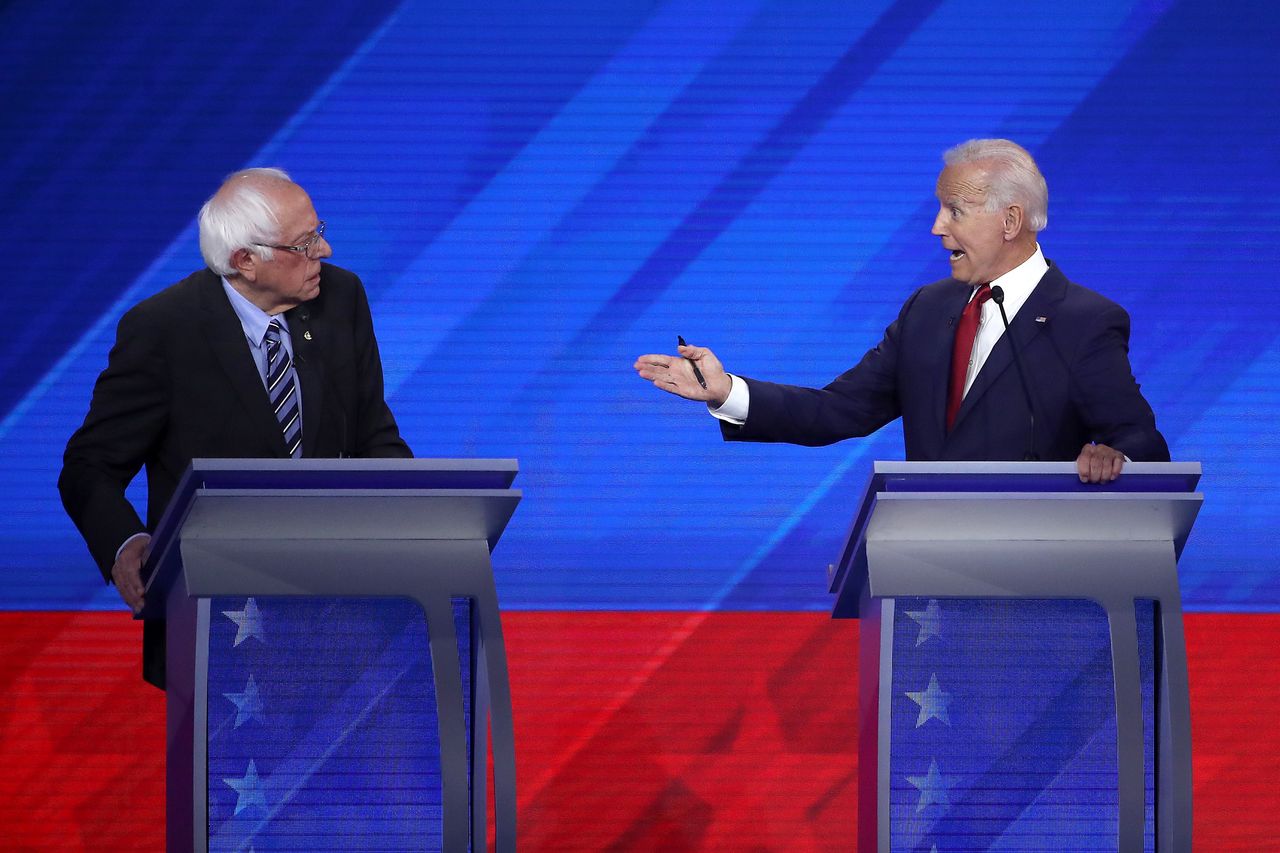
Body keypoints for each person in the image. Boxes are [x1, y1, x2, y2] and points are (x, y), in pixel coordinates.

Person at [59, 168, 412, 687]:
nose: (327, 250)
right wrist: (125, 542)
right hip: (218, 618)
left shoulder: (342, 299)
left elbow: (373, 436)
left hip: (339, 611)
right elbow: (89, 466)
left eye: (320, 230)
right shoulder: (163, 330)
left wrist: (413, 520)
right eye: (306, 242)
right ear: (245, 260)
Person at [634, 139, 1168, 481]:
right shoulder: (928, 310)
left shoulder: (1084, 320)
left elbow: (1142, 441)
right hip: (927, 593)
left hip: (1040, 597)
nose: (938, 227)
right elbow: (838, 410)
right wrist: (728, 391)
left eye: (954, 211)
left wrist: (1114, 457)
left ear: (1010, 221)